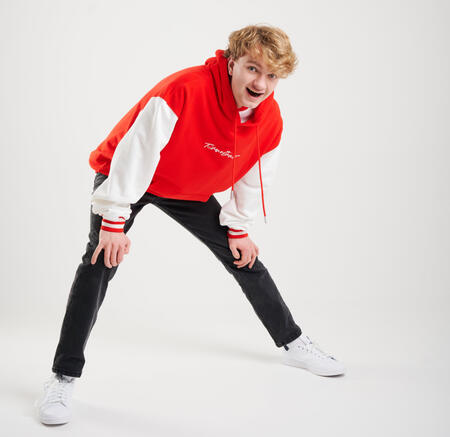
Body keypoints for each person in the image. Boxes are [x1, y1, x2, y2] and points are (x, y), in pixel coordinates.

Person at [35, 24, 345, 426]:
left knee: (243, 257)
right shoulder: (185, 89)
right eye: (253, 69)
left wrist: (239, 227)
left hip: (184, 188)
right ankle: (63, 376)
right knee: (99, 261)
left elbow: (254, 176)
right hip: (127, 177)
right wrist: (113, 221)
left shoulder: (269, 120)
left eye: (272, 75)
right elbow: (136, 152)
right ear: (232, 63)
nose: (261, 83)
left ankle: (293, 342)